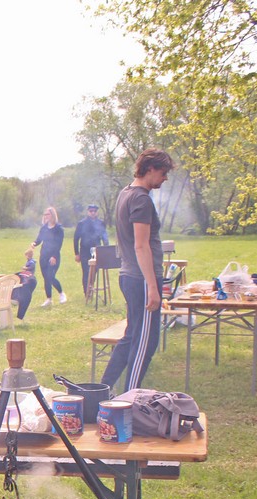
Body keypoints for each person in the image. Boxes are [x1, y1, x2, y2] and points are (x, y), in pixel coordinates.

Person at [100, 148, 175, 394]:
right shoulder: (141, 199)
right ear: (150, 168)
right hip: (141, 278)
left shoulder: (126, 193)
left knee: (131, 336)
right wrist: (153, 286)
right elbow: (140, 245)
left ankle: (101, 390)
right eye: (163, 173)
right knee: (146, 341)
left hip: (129, 275)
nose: (165, 178)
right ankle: (130, 398)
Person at [31, 207, 66, 306]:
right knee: (46, 277)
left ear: (53, 215)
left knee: (50, 276)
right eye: (45, 214)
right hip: (44, 256)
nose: (46, 216)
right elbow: (39, 240)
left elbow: (59, 244)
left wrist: (54, 256)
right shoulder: (44, 228)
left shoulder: (58, 229)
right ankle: (49, 299)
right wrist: (34, 243)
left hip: (54, 256)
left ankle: (61, 294)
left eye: (48, 214)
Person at [73, 203, 110, 296]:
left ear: (97, 212)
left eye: (94, 211)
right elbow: (76, 238)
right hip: (85, 251)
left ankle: (91, 288)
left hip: (97, 251)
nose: (93, 213)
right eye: (91, 211)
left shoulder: (101, 223)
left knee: (94, 271)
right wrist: (76, 253)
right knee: (86, 271)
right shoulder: (81, 223)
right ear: (88, 212)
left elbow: (104, 237)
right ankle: (87, 292)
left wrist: (106, 248)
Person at [14, 248, 39, 321]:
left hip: (28, 276)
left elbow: (31, 267)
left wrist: (25, 268)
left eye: (26, 255)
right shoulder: (30, 261)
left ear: (28, 255)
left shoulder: (31, 262)